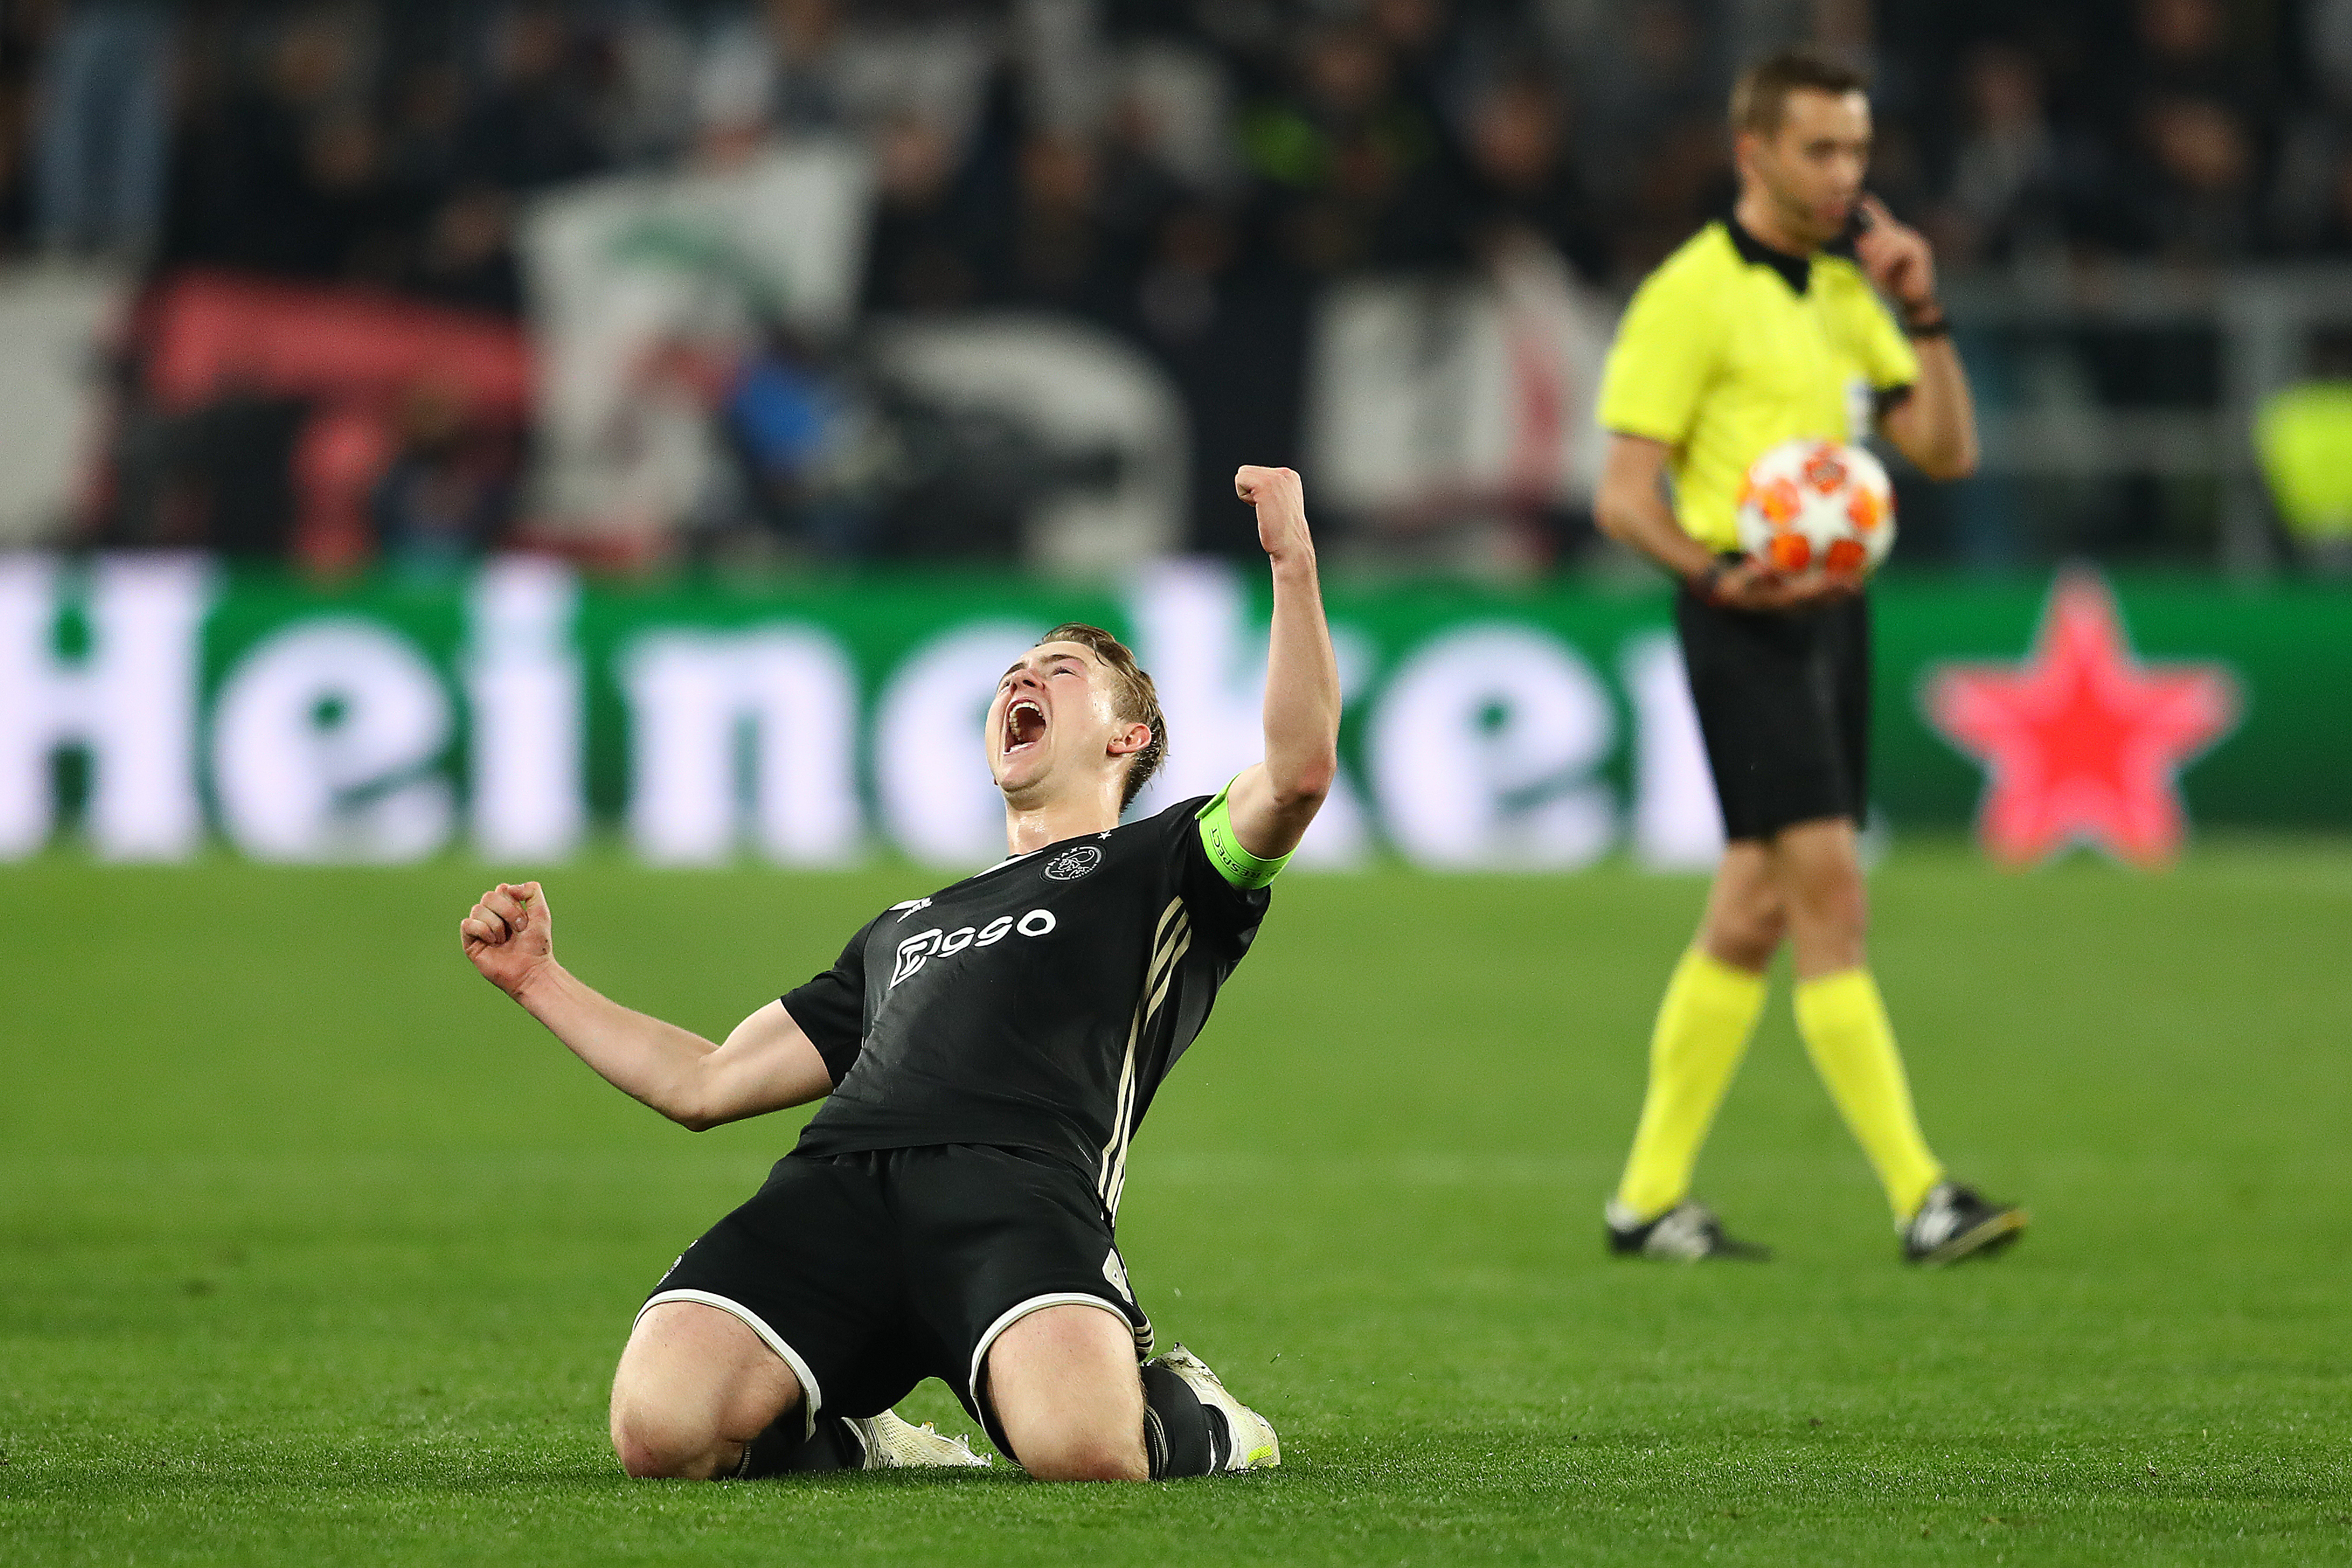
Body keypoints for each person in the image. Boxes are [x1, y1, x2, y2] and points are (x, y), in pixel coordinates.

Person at [459, 465, 1340, 1479]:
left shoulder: (1171, 863)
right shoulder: (904, 928)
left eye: (1056, 672)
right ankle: (870, 1441)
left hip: (1018, 1191)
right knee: (662, 1436)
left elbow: (1301, 770)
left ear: (1125, 737)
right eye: (1013, 670)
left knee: (1087, 1455)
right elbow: (703, 1083)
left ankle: (1199, 1411)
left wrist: (1291, 562)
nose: (1021, 680)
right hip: (837, 1188)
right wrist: (538, 981)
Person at [1590, 50, 2026, 1265]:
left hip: (1838, 613)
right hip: (1744, 614)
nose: (1846, 175)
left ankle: (1646, 1200)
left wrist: (1922, 304)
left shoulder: (1847, 290)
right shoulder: (1690, 296)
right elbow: (1624, 496)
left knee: (1753, 910)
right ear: (1756, 155)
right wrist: (1720, 573)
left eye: (1858, 152)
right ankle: (1922, 1194)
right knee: (1833, 897)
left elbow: (1945, 450)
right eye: (1822, 151)